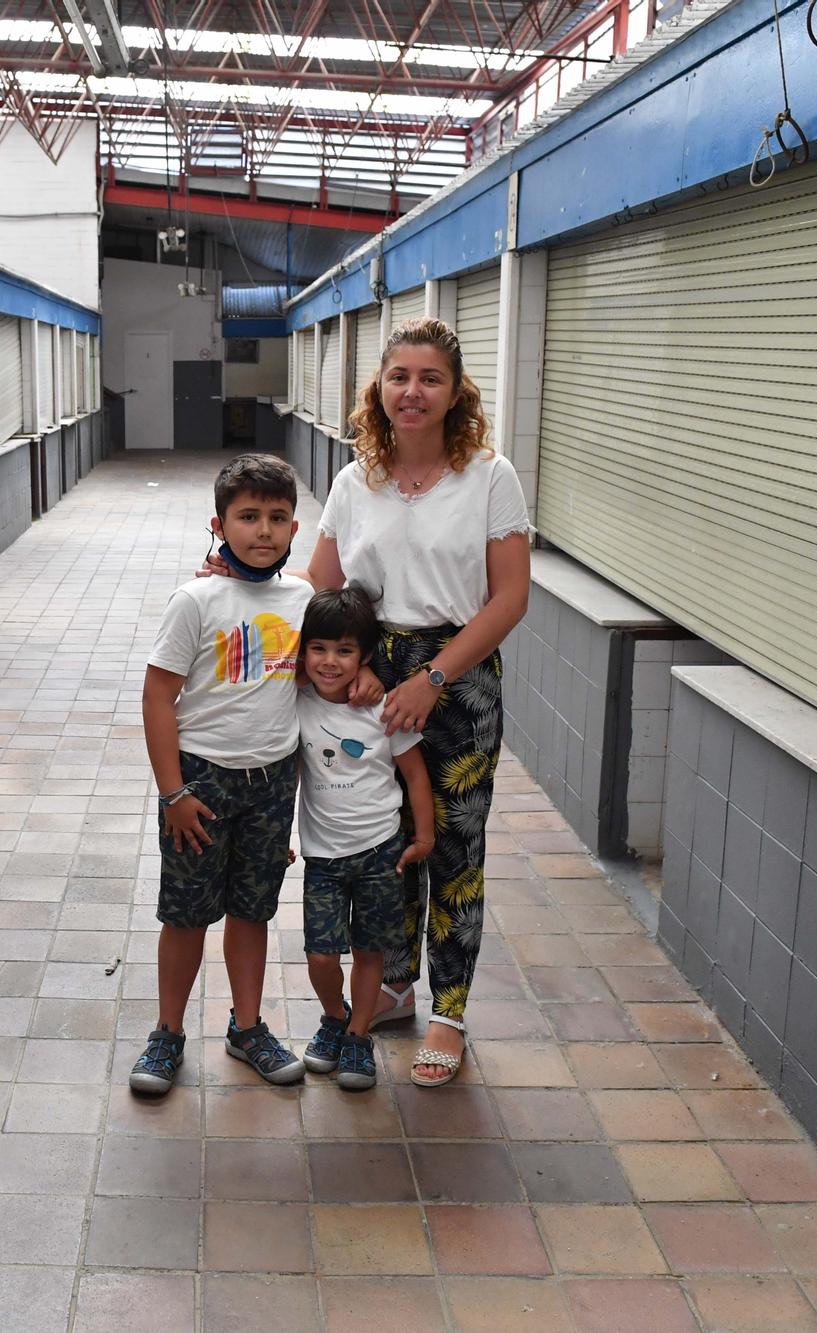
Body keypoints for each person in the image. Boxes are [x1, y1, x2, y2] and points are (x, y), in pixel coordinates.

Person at [313, 316, 531, 1087]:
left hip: (459, 680)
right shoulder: (355, 480)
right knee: (387, 842)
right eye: (398, 376)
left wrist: (431, 677)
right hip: (376, 676)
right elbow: (321, 586)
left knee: (455, 851)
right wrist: (363, 666)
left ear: (454, 391)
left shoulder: (489, 477)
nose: (412, 391)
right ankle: (398, 984)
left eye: (429, 378)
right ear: (378, 386)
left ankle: (451, 1010)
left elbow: (509, 600)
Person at [130, 453, 314, 1096]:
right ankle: (167, 1034)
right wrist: (173, 792)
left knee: (252, 911)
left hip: (272, 783)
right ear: (219, 524)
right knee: (184, 915)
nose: (263, 531)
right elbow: (158, 698)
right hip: (199, 785)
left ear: (295, 528)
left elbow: (329, 672)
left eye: (277, 517)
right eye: (248, 517)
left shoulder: (304, 600)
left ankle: (247, 1028)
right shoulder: (196, 599)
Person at [295, 586, 435, 1091]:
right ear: (303, 650)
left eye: (346, 651)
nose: (330, 662)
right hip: (323, 858)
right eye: (319, 648)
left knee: (370, 951)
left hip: (381, 851)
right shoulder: (296, 702)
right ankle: (335, 1015)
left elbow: (415, 776)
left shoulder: (386, 710)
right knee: (321, 955)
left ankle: (357, 1035)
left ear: (366, 656)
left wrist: (423, 836)